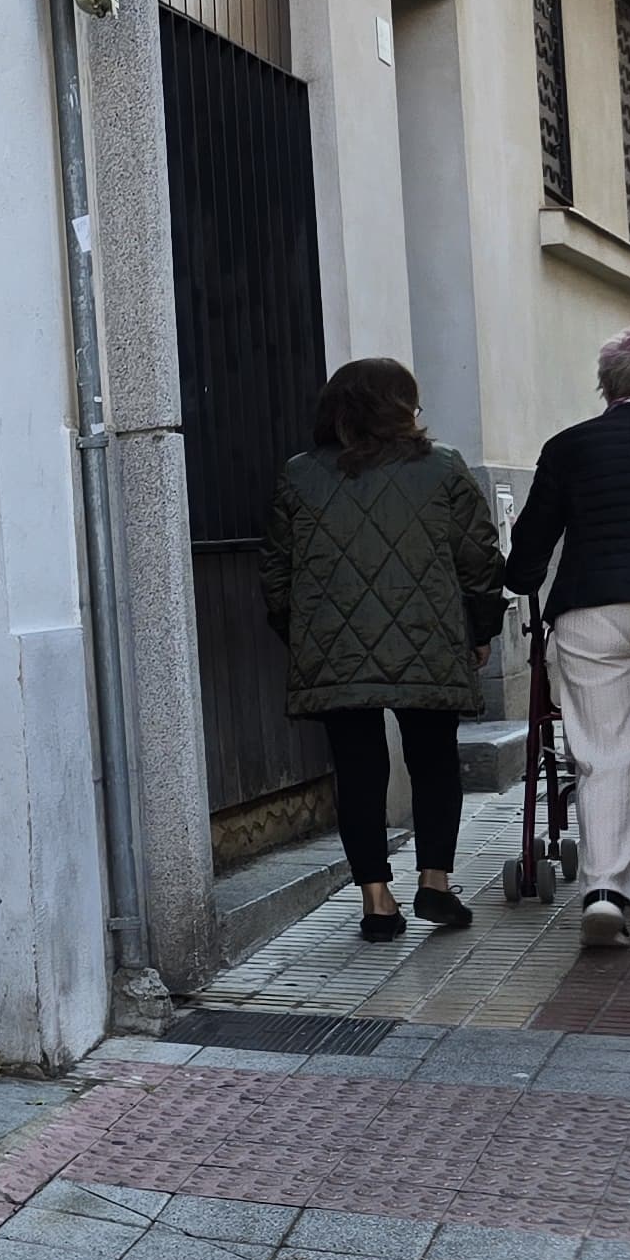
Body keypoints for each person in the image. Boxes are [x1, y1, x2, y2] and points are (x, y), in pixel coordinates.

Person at [263, 359, 504, 941]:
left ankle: (376, 899)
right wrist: (480, 631)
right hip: (429, 640)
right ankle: (435, 884)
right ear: (401, 408)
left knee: (359, 770)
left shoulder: (300, 474)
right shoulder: (442, 468)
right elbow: (478, 560)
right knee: (434, 761)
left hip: (335, 651)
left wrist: (302, 636)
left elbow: (276, 572)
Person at [501, 325, 630, 947]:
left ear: (607, 385)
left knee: (603, 753)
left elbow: (532, 543)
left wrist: (520, 579)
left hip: (590, 609)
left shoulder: (569, 445)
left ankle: (604, 890)